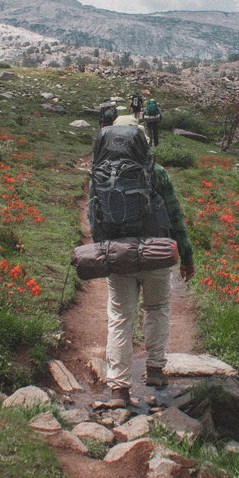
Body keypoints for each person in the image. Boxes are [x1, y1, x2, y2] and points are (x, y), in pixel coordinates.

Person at [89, 121, 195, 409]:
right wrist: (187, 257)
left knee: (121, 317)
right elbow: (176, 217)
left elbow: (93, 217)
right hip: (156, 253)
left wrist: (105, 254)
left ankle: (118, 389)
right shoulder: (155, 172)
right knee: (157, 308)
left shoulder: (99, 173)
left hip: (118, 254)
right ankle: (156, 371)